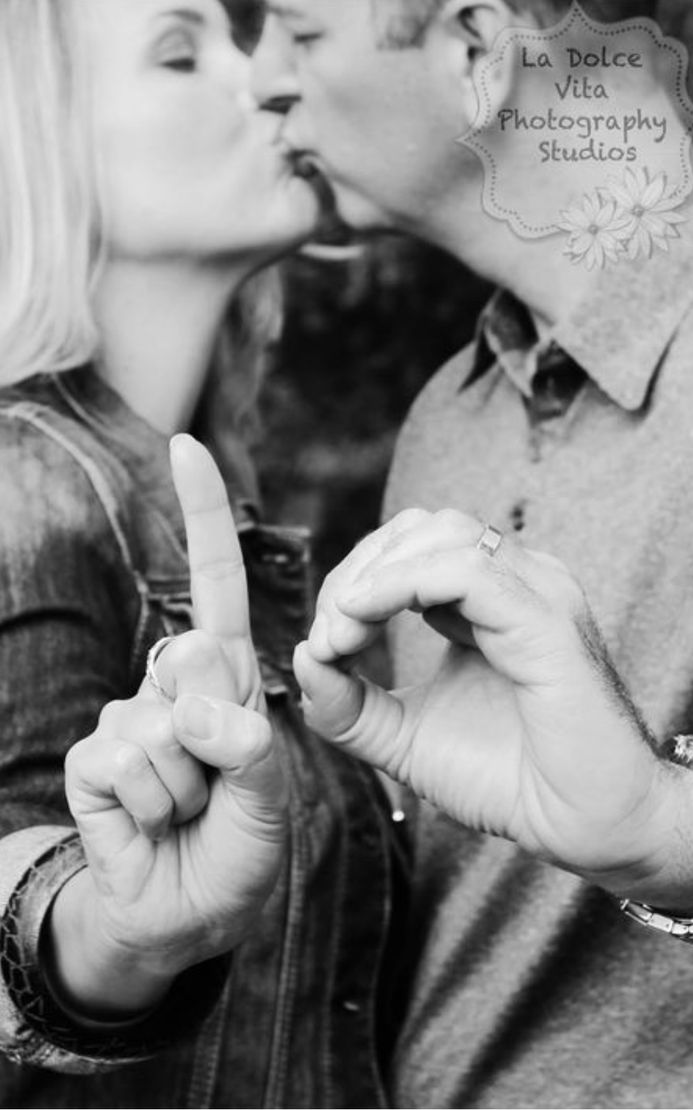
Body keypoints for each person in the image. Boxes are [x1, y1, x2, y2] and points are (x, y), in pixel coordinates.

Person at [252, 0, 693, 1106]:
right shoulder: (444, 422)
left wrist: (679, 840)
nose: (261, 81)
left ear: (475, 47)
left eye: (300, 32)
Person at [0, 2, 406, 1106]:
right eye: (182, 53)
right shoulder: (26, 491)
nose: (262, 74)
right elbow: (20, 895)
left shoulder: (198, 515)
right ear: (38, 144)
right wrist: (109, 942)